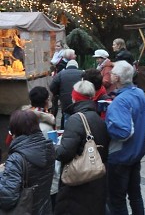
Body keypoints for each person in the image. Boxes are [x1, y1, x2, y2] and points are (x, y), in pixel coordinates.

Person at [55, 80, 109, 215]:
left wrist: (53, 147)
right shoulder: (98, 117)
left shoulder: (76, 119)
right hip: (96, 179)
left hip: (79, 181)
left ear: (75, 97)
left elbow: (64, 153)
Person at [105, 61, 145, 214]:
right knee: (135, 195)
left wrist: (107, 124)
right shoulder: (139, 93)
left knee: (117, 200)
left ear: (116, 78)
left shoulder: (120, 101)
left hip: (120, 157)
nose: (109, 75)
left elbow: (123, 132)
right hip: (136, 153)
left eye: (112, 73)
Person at [0, 109, 55, 214]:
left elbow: (7, 198)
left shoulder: (16, 158)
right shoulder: (49, 148)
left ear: (15, 130)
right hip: (44, 209)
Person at [49, 59, 83, 128]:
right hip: (79, 100)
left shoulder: (60, 74)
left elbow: (52, 87)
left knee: (67, 117)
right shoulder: (82, 73)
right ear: (77, 66)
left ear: (67, 66)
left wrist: (58, 93)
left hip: (65, 101)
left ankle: (67, 132)